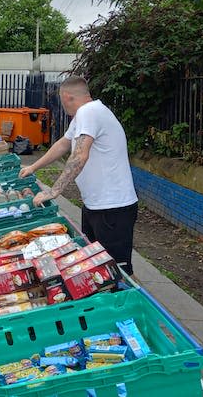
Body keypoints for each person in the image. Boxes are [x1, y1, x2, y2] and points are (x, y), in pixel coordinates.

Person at [19, 76, 139, 275]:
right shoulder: (85, 115)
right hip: (96, 206)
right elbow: (64, 144)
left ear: (66, 97)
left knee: (117, 273)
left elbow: (79, 155)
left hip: (112, 208)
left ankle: (133, 304)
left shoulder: (88, 112)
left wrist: (54, 191)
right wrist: (34, 167)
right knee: (96, 267)